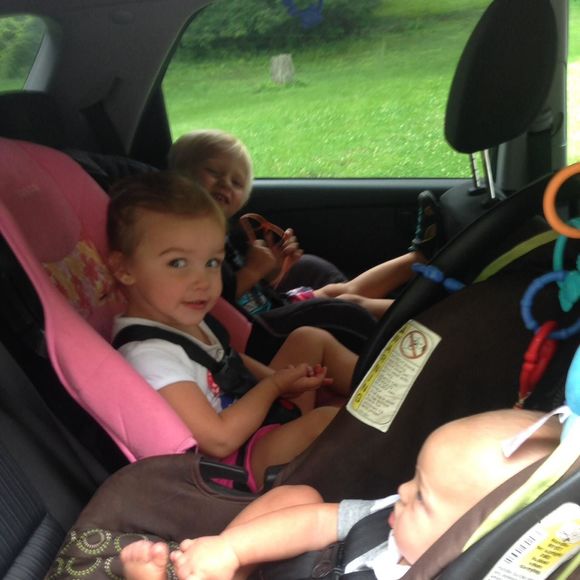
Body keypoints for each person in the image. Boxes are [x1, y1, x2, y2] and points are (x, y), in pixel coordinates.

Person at [106, 172, 358, 491]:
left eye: (212, 263)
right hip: (236, 466)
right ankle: (391, 426)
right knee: (327, 421)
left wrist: (280, 380)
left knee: (308, 339)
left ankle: (393, 390)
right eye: (178, 263)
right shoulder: (150, 355)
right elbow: (219, 440)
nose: (203, 281)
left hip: (256, 423)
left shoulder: (176, 314)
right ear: (124, 269)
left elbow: (225, 358)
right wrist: (273, 386)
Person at [120, 408, 560, 580]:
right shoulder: (397, 515)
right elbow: (319, 520)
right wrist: (231, 549)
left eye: (423, 497)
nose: (403, 490)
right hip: (318, 565)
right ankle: (212, 567)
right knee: (300, 497)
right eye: (415, 478)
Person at [168, 130, 444, 320]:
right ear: (179, 176)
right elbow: (213, 306)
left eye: (236, 182)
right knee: (349, 303)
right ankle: (435, 314)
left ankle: (418, 257)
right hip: (264, 330)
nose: (225, 184)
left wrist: (273, 267)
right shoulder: (184, 241)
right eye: (213, 172)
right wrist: (252, 271)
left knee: (335, 292)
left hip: (272, 307)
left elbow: (245, 289)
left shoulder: (224, 234)